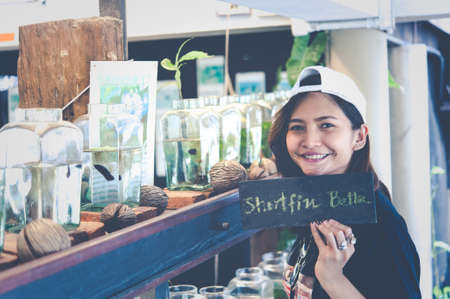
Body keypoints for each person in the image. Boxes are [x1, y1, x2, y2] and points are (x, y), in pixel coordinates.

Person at [268, 66, 421, 299]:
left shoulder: (381, 223)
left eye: (326, 125)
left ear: (359, 137)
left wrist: (332, 278)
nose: (310, 141)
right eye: (297, 127)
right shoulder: (316, 207)